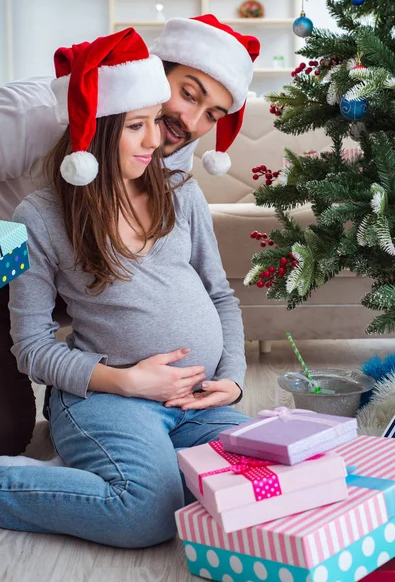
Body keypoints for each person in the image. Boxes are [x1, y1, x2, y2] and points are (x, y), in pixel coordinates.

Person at [0, 27, 252, 548]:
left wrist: (233, 378)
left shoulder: (174, 179)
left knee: (266, 474)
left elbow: (217, 293)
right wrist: (128, 382)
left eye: (213, 115)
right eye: (188, 94)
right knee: (10, 429)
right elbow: (33, 343)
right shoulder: (30, 125)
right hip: (15, 256)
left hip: (192, 399)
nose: (177, 128)